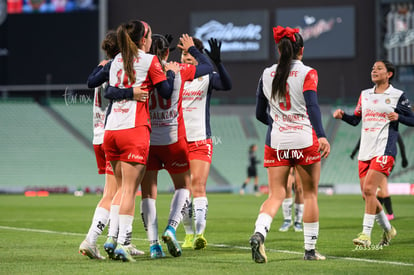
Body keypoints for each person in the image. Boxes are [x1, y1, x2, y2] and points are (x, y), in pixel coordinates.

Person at [104, 33, 214, 258]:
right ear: (166, 52)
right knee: (184, 187)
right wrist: (193, 50)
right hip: (174, 139)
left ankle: (154, 246)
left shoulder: (140, 72)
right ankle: (172, 228)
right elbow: (209, 67)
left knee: (148, 194)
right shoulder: (179, 70)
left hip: (148, 139)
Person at [249, 26, 330, 263]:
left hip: (277, 141)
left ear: (279, 49)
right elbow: (312, 106)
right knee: (310, 195)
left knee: (276, 194)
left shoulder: (266, 74)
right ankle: (310, 251)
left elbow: (258, 113)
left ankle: (259, 233)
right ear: (301, 51)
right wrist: (322, 135)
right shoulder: (308, 72)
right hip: (304, 140)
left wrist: (277, 122)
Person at [101, 20, 174, 262]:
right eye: (150, 35)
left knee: (121, 189)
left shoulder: (117, 60)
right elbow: (165, 92)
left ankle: (112, 238)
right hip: (134, 129)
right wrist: (167, 73)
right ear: (143, 40)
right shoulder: (150, 60)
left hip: (111, 130)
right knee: (130, 190)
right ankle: (122, 243)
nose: (152, 40)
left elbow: (109, 92)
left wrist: (128, 91)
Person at [333, 60, 414, 248]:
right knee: (367, 195)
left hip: (385, 149)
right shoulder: (365, 95)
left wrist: (399, 117)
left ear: (389, 74)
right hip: (365, 152)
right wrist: (343, 116)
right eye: (372, 68)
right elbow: (355, 120)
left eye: (379, 69)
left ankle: (365, 235)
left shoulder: (397, 96)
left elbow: (412, 119)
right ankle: (388, 229)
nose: (374, 71)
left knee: (370, 190)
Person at [179, 37, 232, 250]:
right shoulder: (175, 76)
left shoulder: (207, 76)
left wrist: (217, 63)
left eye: (190, 54)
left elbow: (227, 85)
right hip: (178, 140)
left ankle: (200, 233)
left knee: (198, 186)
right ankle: (188, 234)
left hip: (201, 139)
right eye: (183, 54)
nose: (186, 58)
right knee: (182, 189)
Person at [350, 134, 408, 221]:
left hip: (383, 159)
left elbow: (361, 140)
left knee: (381, 185)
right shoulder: (384, 127)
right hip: (379, 159)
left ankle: (389, 214)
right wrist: (404, 158)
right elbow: (401, 144)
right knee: (378, 189)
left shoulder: (387, 127)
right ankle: (380, 213)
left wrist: (354, 152)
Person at [279, 166, 304, 232]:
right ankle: (287, 220)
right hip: (287, 156)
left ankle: (298, 221)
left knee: (299, 188)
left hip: (300, 156)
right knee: (287, 187)